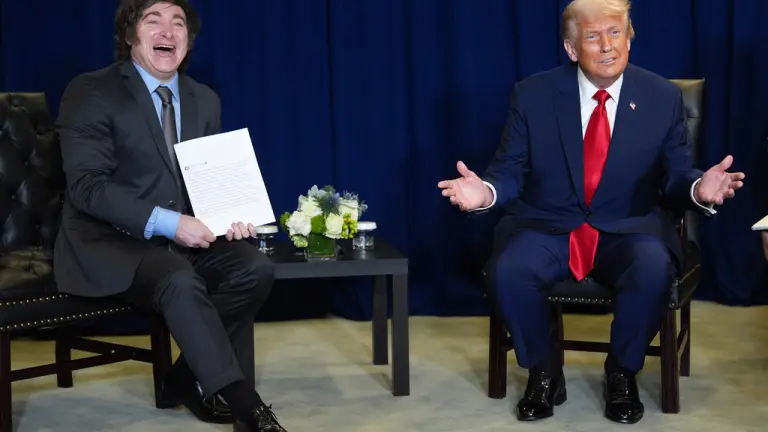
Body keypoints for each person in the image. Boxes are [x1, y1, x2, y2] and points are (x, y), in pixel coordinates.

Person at [438, 0, 744, 425]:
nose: (607, 46)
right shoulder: (533, 94)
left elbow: (676, 176)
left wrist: (699, 189)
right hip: (548, 225)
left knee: (652, 267)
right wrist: (485, 192)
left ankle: (621, 373)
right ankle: (545, 371)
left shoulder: (661, 97)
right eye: (593, 36)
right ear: (571, 48)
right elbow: (509, 169)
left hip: (629, 228)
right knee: (508, 270)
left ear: (629, 39)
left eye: (616, 33)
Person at [53, 1, 286, 431]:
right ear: (129, 35)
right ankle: (247, 407)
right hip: (111, 241)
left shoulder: (205, 99)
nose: (167, 31)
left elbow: (205, 183)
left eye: (178, 23)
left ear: (188, 42)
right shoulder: (91, 91)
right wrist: (170, 223)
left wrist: (229, 217)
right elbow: (87, 187)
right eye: (153, 20)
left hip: (181, 241)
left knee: (254, 268)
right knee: (176, 277)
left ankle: (181, 378)